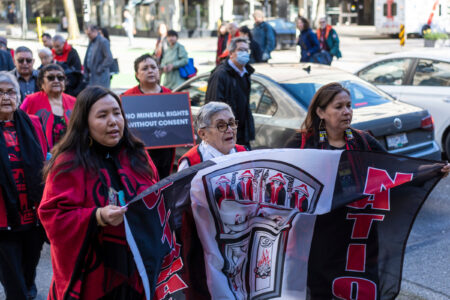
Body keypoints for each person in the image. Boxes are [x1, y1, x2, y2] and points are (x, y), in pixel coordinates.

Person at [284, 82, 450, 297]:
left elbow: (395, 169)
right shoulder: (302, 142)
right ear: (321, 112)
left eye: (349, 105)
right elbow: (281, 179)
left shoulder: (362, 141)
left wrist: (431, 170)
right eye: (339, 107)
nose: (347, 112)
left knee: (361, 288)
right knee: (320, 291)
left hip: (357, 235)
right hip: (319, 239)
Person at [38, 86, 159, 300]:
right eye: (102, 116)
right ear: (84, 123)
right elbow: (52, 217)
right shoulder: (68, 163)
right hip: (93, 279)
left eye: (117, 113)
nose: (113, 121)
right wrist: (97, 216)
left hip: (138, 272)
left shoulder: (138, 156)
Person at [177, 101, 247, 300]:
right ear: (203, 134)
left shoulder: (244, 152)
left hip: (239, 239)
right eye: (221, 125)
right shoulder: (191, 162)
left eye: (232, 123)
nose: (230, 130)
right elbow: (184, 209)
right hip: (204, 243)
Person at [0, 71, 48, 300]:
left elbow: (44, 162)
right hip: (3, 218)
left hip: (32, 214)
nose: (5, 97)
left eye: (10, 92)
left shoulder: (34, 123)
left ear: (19, 95)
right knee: (13, 280)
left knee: (29, 271)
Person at [123, 54, 175, 178]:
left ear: (159, 71)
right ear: (137, 74)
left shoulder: (170, 94)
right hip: (139, 152)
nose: (150, 71)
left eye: (153, 67)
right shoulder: (128, 97)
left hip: (165, 153)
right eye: (145, 68)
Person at [205, 37, 255, 148]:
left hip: (241, 133)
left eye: (247, 50)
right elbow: (213, 107)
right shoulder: (220, 74)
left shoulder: (245, 73)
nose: (245, 53)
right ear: (231, 53)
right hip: (225, 134)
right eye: (241, 50)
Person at [20, 64, 76, 149]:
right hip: (40, 154)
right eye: (50, 78)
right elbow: (18, 122)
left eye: (60, 78)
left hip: (70, 155)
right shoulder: (30, 100)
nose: (56, 81)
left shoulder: (74, 101)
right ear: (42, 82)